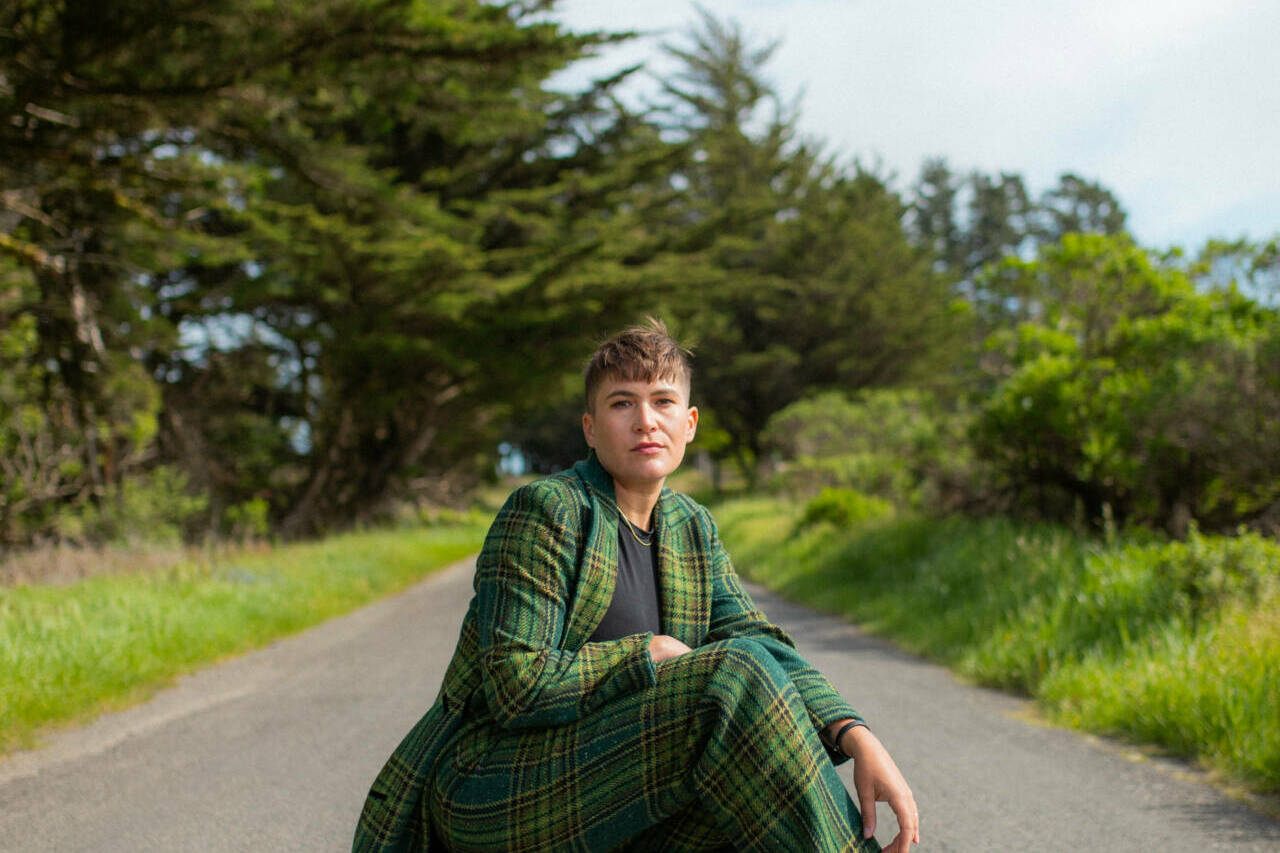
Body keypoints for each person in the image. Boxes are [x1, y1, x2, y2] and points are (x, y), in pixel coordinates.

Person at [354, 320, 919, 853]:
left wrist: (853, 732)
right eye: (622, 403)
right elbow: (515, 686)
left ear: (689, 424)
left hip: (617, 776)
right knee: (729, 677)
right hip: (496, 783)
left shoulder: (692, 526)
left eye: (663, 402)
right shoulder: (548, 510)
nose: (646, 421)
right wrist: (644, 653)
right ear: (590, 428)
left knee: (750, 777)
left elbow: (758, 640)